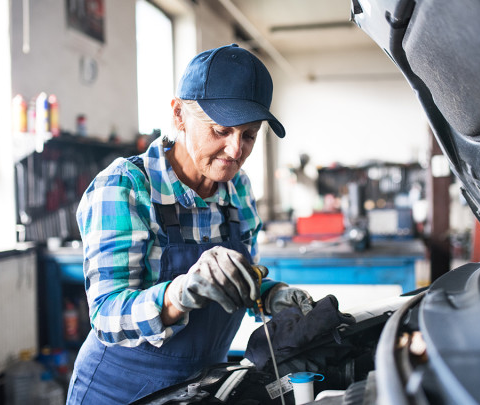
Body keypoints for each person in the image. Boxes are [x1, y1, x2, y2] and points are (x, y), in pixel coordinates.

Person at [66, 44, 314, 404]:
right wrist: (178, 294)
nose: (235, 150)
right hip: (120, 393)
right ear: (179, 115)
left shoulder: (238, 189)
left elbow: (240, 279)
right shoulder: (125, 187)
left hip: (202, 388)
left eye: (249, 135)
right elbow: (106, 316)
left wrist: (269, 294)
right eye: (221, 130)